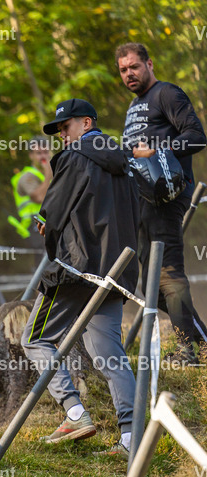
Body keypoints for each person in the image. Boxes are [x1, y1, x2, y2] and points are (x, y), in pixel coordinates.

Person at [21, 99, 139, 456]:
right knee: (108, 355)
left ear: (86, 123)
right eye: (58, 130)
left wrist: (45, 225)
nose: (62, 135)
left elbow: (52, 213)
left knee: (35, 339)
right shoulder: (126, 162)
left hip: (78, 269)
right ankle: (133, 439)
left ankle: (74, 413)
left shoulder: (75, 156)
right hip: (118, 271)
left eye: (65, 126)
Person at [117, 42, 207, 364]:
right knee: (152, 286)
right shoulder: (133, 107)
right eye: (123, 69)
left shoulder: (167, 94)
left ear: (149, 64)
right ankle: (200, 342)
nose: (129, 73)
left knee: (168, 274)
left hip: (168, 196)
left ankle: (190, 350)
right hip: (143, 203)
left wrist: (157, 150)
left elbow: (197, 136)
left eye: (134, 67)